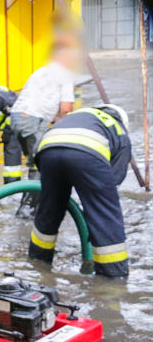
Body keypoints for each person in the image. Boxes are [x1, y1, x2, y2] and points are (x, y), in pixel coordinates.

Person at [29, 105, 132, 278]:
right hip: (87, 155)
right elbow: (113, 182)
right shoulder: (119, 130)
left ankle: (38, 263)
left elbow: (38, 149)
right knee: (104, 213)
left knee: (49, 210)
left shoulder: (79, 115)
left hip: (47, 149)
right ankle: (113, 277)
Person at [8, 44, 78, 215]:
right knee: (41, 165)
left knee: (34, 163)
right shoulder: (65, 75)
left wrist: (54, 119)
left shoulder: (40, 71)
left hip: (17, 118)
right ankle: (29, 209)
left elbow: (38, 102)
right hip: (32, 121)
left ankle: (30, 205)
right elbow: (67, 108)